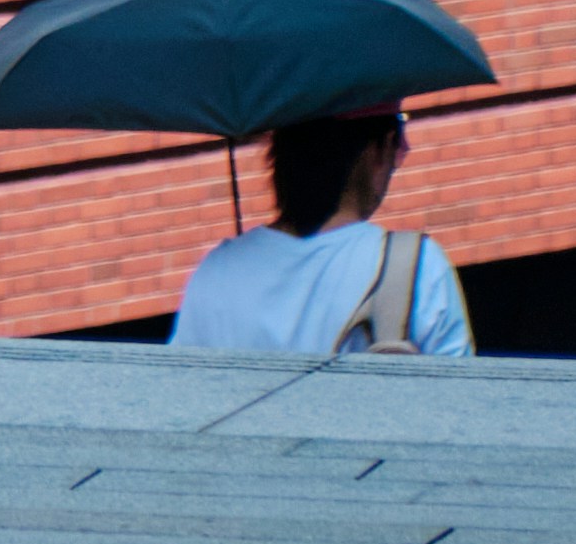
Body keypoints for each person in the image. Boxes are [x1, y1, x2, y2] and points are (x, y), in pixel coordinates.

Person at [169, 109, 477, 358]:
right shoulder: (417, 267)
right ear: (376, 151)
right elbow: (458, 411)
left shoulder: (216, 271)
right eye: (399, 136)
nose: (405, 149)